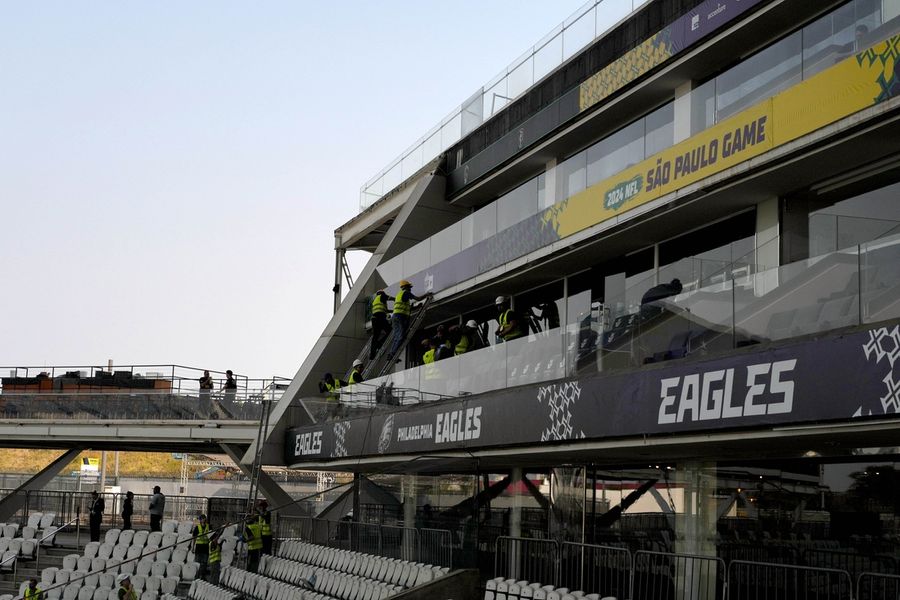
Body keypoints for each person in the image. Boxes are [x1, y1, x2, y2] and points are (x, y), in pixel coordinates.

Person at [388, 280, 428, 357]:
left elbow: (407, 308)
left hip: (395, 316)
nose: (410, 289)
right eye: (409, 287)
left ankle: (391, 353)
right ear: (405, 287)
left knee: (396, 336)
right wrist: (427, 294)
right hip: (400, 317)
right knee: (401, 336)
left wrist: (417, 307)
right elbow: (418, 298)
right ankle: (393, 354)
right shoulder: (406, 293)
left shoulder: (399, 295)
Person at [369, 290, 394, 360]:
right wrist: (398, 299)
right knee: (390, 331)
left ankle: (372, 355)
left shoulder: (376, 301)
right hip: (380, 317)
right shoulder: (382, 296)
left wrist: (393, 310)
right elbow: (391, 298)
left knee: (375, 336)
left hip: (374, 319)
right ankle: (380, 343)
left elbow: (386, 310)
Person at [191, 514, 211, 581]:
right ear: (200, 520)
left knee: (204, 563)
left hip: (205, 547)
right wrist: (193, 547)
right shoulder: (197, 527)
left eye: (204, 518)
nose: (203, 520)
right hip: (198, 548)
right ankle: (197, 576)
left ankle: (203, 576)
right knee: (197, 563)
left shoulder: (209, 527)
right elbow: (194, 538)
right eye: (202, 518)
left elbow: (211, 536)